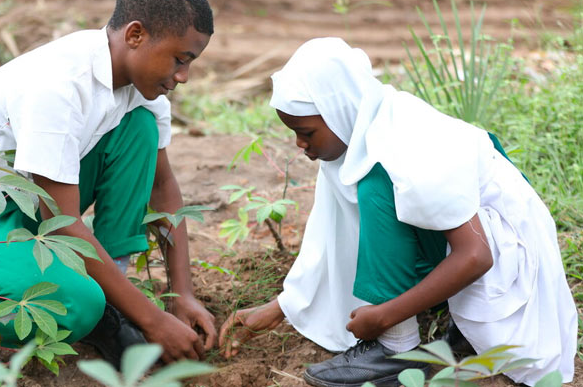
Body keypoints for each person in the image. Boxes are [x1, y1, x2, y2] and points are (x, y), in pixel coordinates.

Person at [0, 0, 217, 366]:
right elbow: (62, 221)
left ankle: (111, 298)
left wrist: (182, 293)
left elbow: (162, 185)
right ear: (135, 35)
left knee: (139, 130)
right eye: (180, 60)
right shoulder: (60, 84)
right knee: (78, 305)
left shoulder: (139, 88)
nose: (183, 76)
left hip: (23, 209)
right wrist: (152, 320)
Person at [218, 38, 577, 386]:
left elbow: (476, 256)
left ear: (337, 110)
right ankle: (449, 329)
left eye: (306, 132)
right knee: (375, 187)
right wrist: (280, 307)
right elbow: (333, 243)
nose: (300, 144)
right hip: (477, 249)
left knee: (377, 186)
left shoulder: (401, 144)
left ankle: (395, 349)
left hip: (506, 262)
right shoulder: (366, 130)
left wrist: (386, 316)